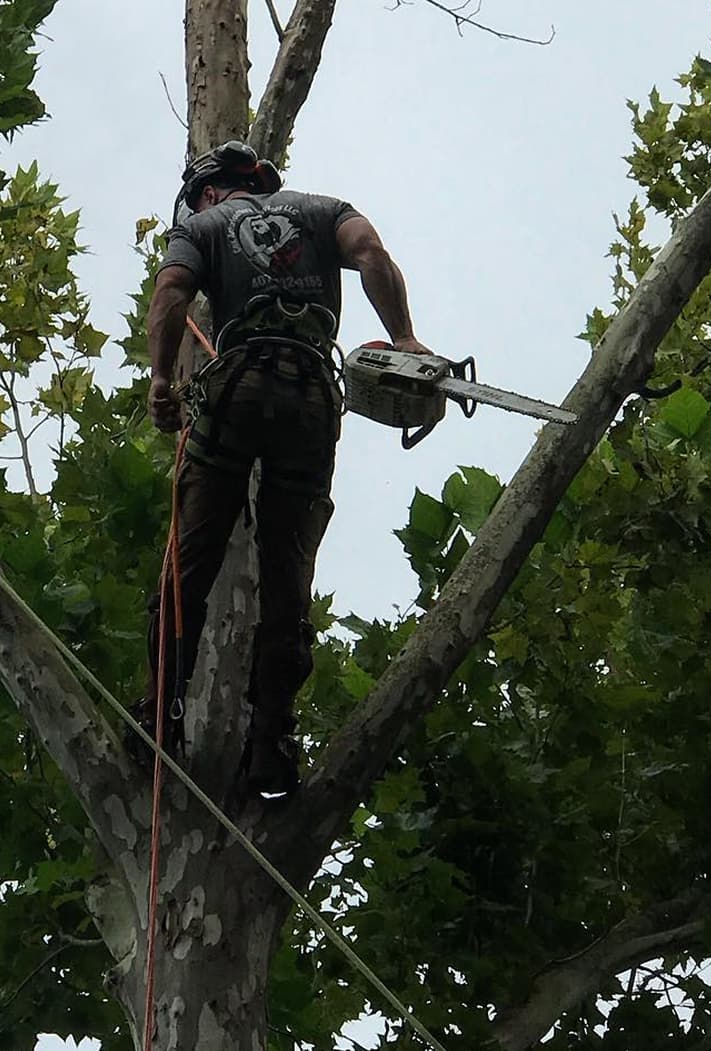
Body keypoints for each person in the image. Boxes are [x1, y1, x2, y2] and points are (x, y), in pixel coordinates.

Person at [142, 140, 429, 797]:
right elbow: (371, 255)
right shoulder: (325, 209)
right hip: (310, 396)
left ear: (211, 190)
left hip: (239, 384)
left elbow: (172, 291)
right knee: (287, 571)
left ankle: (161, 716)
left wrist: (161, 378)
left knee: (191, 561)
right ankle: (271, 740)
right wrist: (405, 335)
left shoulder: (202, 227)